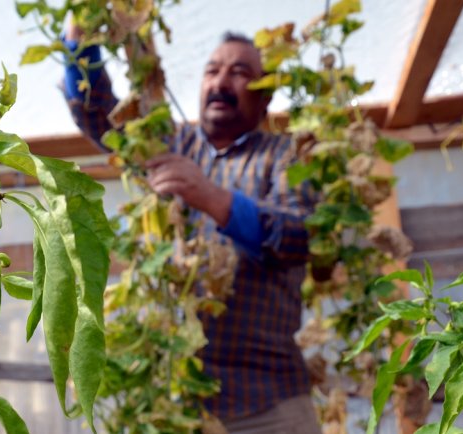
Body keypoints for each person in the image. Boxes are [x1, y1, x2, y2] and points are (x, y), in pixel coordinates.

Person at [61, 27, 322, 434]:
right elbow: (101, 116)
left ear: (265, 94)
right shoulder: (168, 141)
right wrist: (80, 41)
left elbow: (300, 237)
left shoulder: (286, 155)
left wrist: (215, 199)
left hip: (270, 403)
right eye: (212, 70)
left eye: (238, 72)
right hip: (175, 401)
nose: (220, 82)